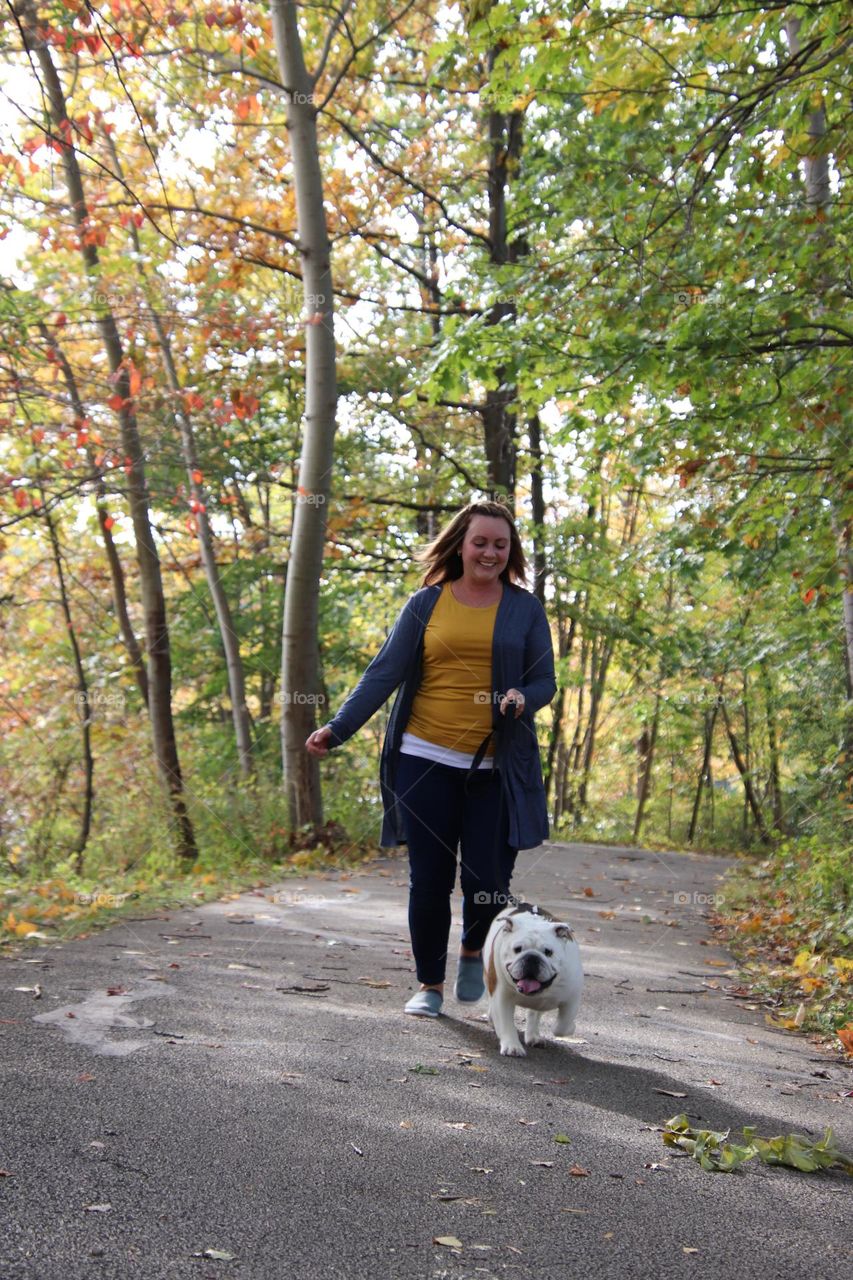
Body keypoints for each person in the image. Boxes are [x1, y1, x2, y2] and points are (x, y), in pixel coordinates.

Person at [305, 500, 556, 1018]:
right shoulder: (425, 604)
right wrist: (338, 727)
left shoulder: (525, 608)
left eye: (500, 544)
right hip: (422, 759)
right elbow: (383, 673)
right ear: (461, 545)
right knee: (430, 876)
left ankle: (471, 950)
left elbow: (544, 680)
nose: (490, 552)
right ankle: (428, 985)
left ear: (511, 552)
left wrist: (522, 698)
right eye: (481, 542)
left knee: (488, 882)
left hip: (495, 767)